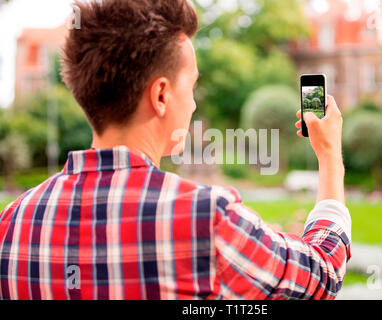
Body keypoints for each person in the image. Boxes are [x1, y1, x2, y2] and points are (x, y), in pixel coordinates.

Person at [0, 0, 351, 300]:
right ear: (162, 96)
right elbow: (321, 274)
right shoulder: (207, 219)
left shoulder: (12, 223)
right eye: (192, 86)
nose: (194, 105)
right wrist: (330, 156)